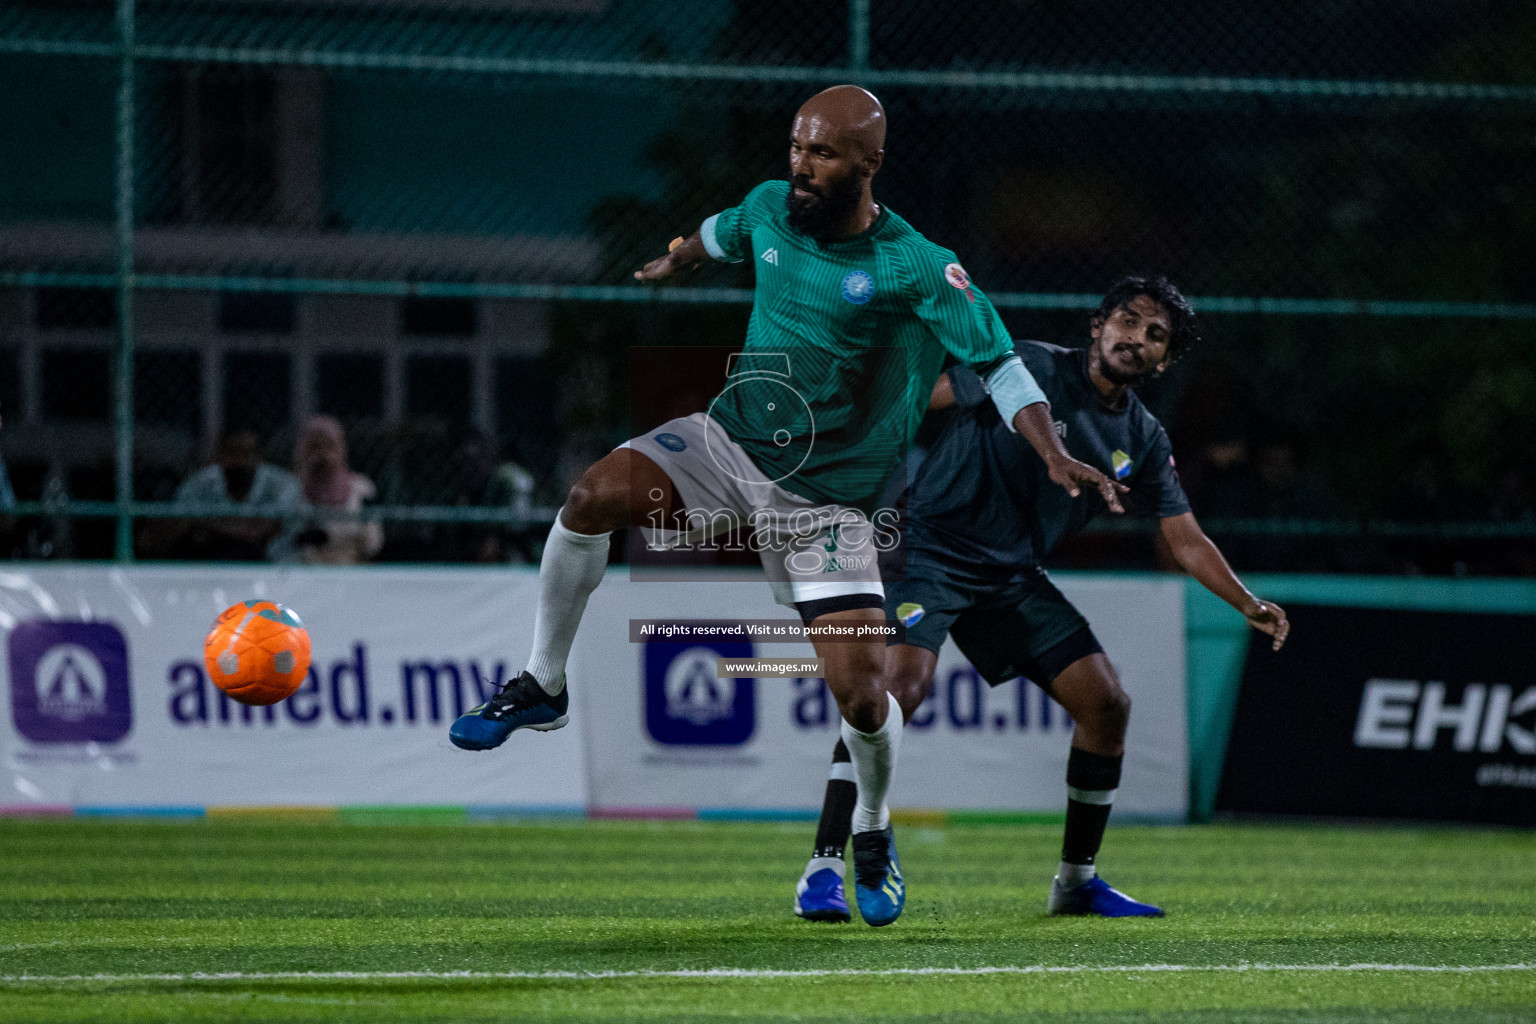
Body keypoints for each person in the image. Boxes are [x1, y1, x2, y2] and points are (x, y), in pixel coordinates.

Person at [447, 85, 1117, 928]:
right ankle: (543, 684)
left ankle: (871, 831)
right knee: (590, 498)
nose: (801, 166)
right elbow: (724, 230)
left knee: (865, 700)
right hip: (727, 446)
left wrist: (1053, 452)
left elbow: (1003, 365)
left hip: (828, 506)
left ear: (870, 163)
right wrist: (682, 256)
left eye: (824, 154)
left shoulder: (916, 265)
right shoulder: (773, 207)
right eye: (797, 147)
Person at [793, 277, 1290, 922]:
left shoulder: (1141, 439)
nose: (1135, 338)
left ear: (1164, 361)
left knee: (1105, 703)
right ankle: (825, 867)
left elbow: (1185, 537)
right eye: (1128, 320)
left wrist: (1245, 601)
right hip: (927, 550)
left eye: (1154, 335)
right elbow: (921, 397)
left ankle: (1075, 882)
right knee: (893, 694)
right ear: (1097, 324)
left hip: (1012, 578)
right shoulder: (1024, 363)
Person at [141, 428, 302, 561]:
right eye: (232, 453)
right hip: (213, 553)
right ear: (219, 456)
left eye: (247, 453)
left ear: (261, 456)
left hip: (266, 557)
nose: (240, 461)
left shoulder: (282, 483)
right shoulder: (201, 482)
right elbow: (181, 521)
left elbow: (273, 526)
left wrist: (215, 524)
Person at [293, 415, 383, 565]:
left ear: (341, 448)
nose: (322, 455)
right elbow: (289, 542)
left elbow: (373, 542)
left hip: (353, 569)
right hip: (307, 573)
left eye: (329, 446)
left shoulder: (361, 488)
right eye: (314, 447)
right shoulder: (293, 489)